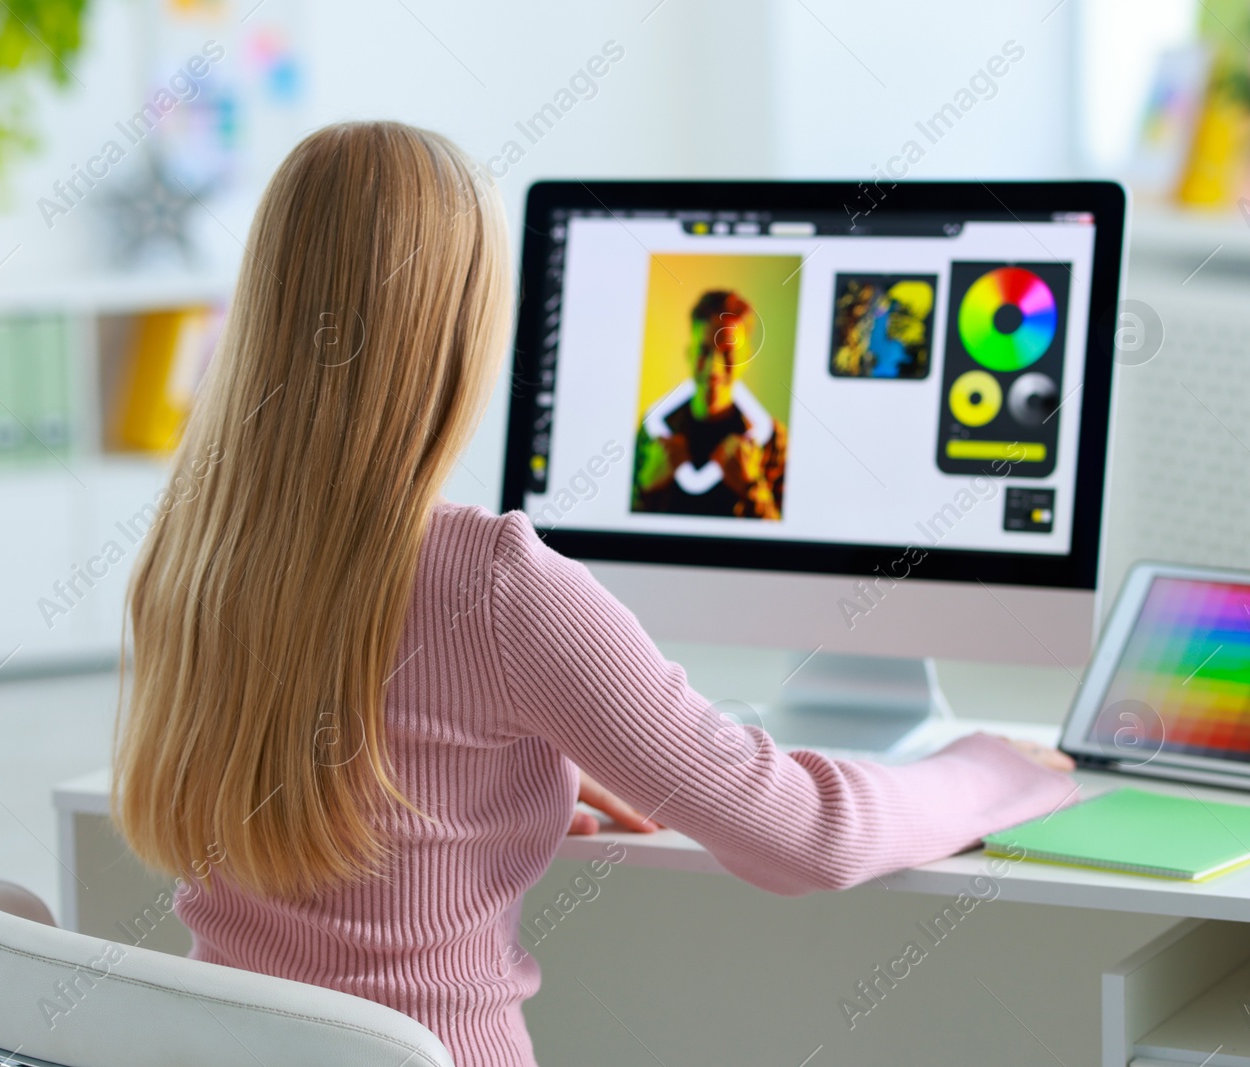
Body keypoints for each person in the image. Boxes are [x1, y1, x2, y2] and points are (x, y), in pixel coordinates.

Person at [112, 121, 1076, 1067]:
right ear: (458, 331)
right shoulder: (490, 583)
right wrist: (993, 768)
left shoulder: (188, 553)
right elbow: (807, 837)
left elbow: (334, 761)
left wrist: (513, 783)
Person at [633, 290, 786, 519]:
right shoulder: (655, 429)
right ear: (689, 353)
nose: (713, 368)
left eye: (728, 352)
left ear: (746, 357)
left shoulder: (771, 437)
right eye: (705, 350)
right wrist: (647, 485)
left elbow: (786, 543)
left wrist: (751, 489)